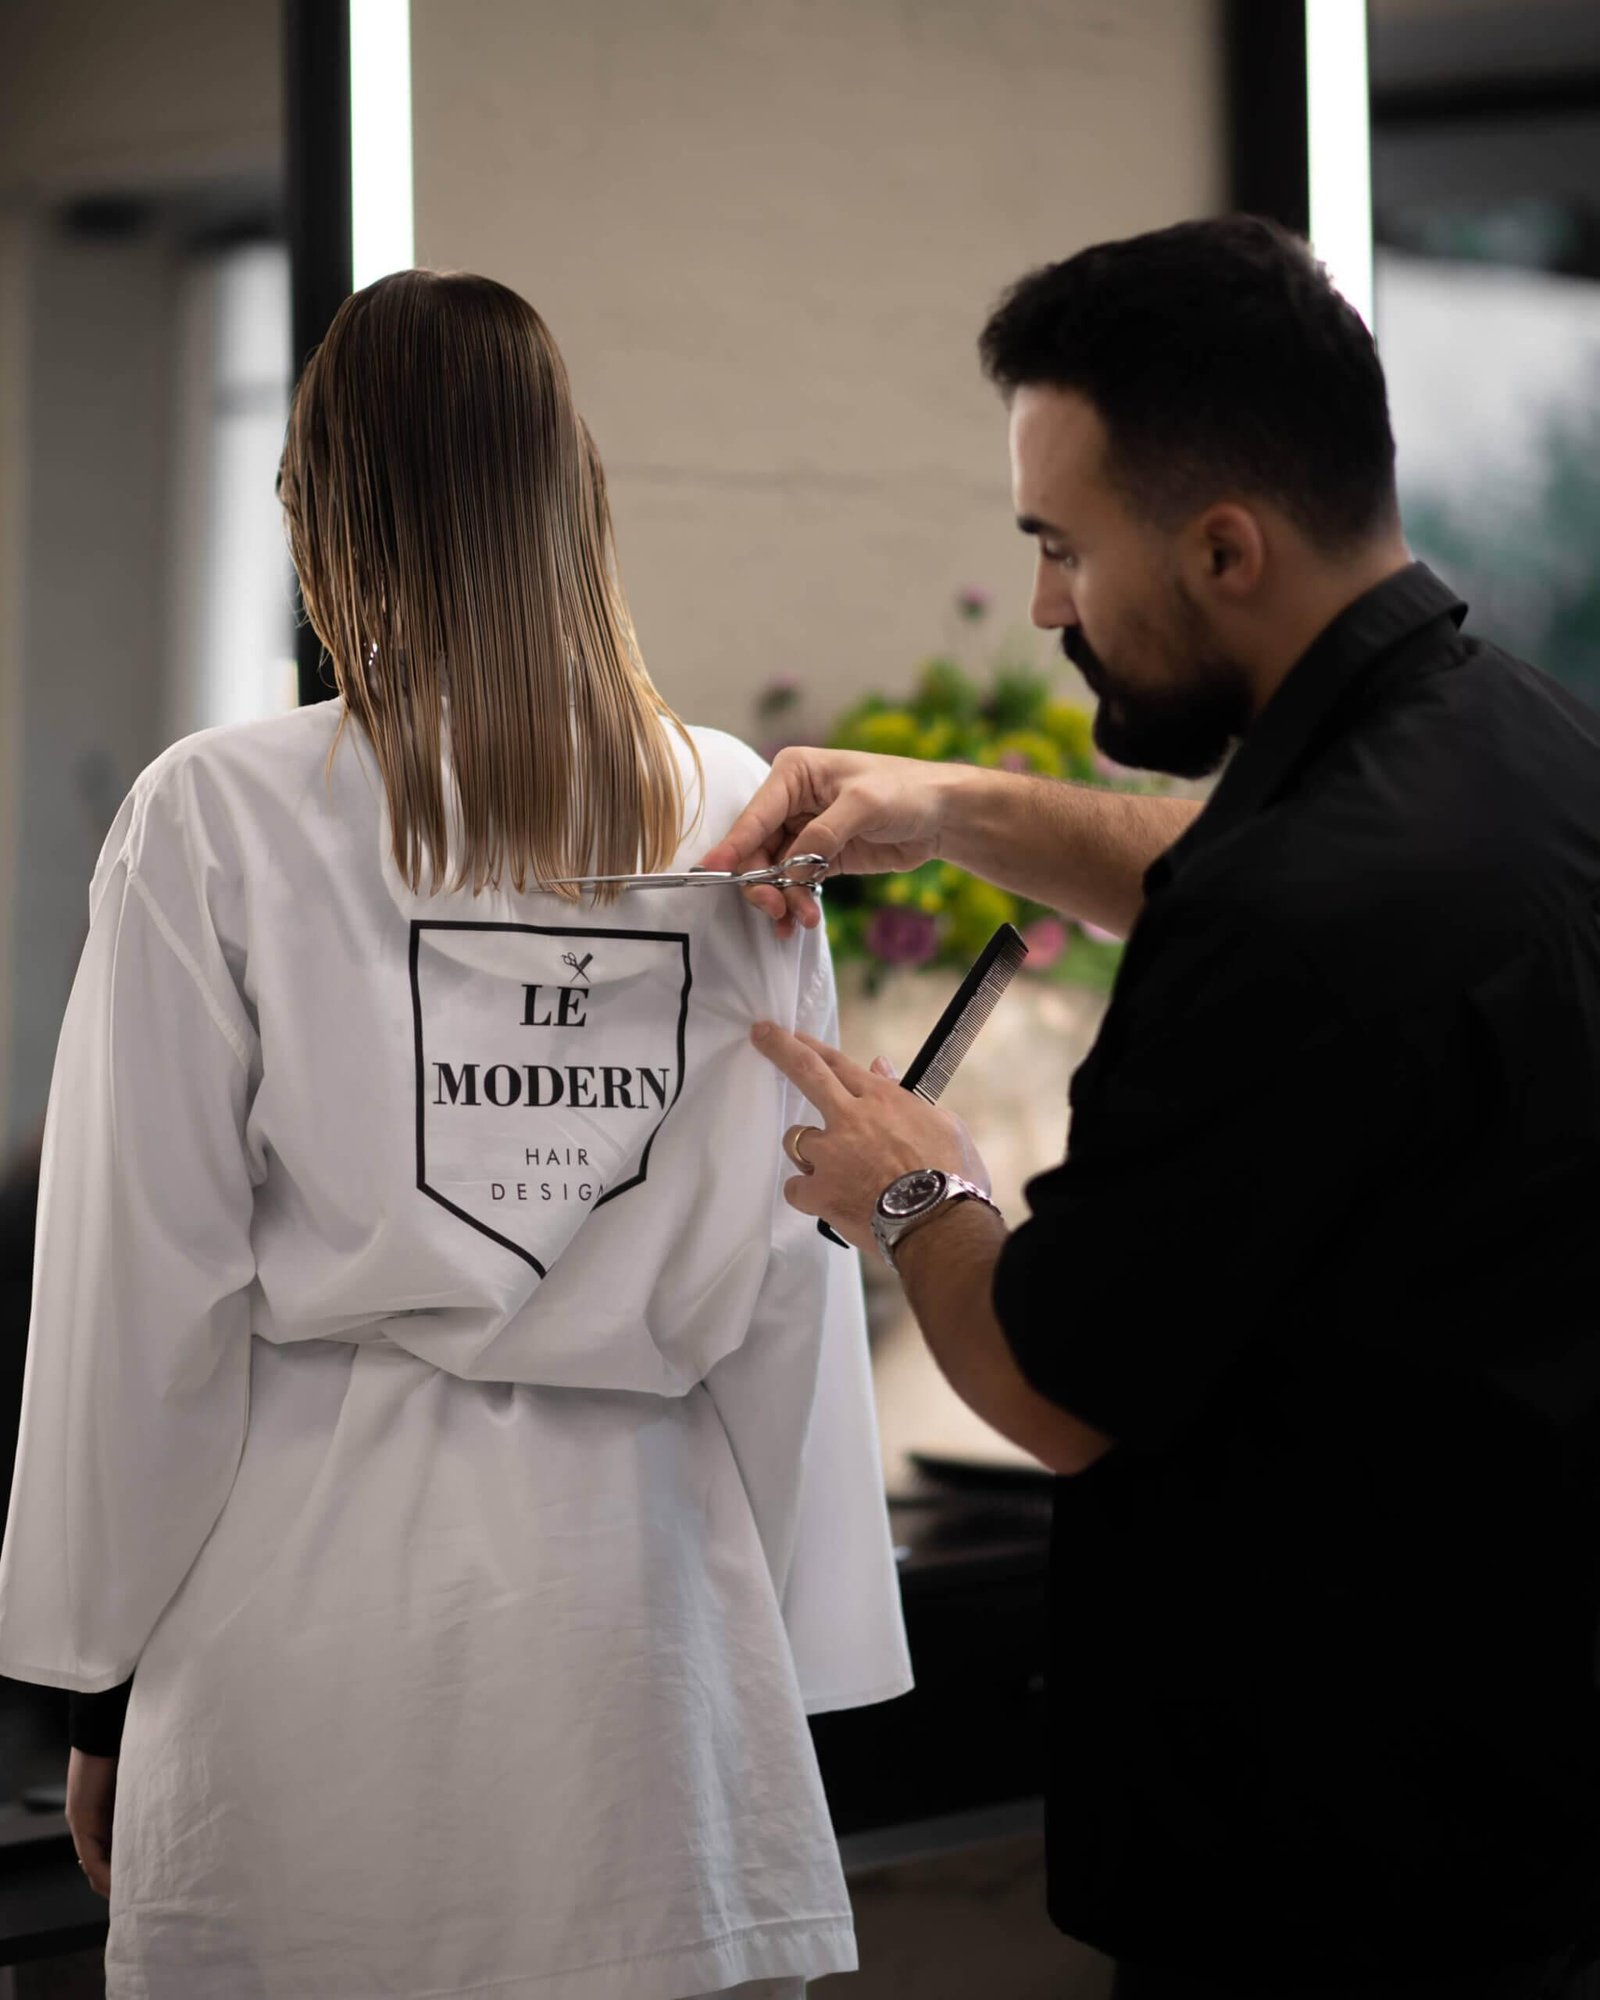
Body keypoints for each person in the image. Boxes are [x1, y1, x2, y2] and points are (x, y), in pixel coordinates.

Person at [702, 216, 1600, 1999]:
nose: (1045, 609)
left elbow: (1056, 1388)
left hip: (1335, 1881)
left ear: (1221, 547)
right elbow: (1237, 865)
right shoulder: (1534, 759)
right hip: (1541, 1808)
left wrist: (914, 1190)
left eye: (1060, 548)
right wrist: (951, 806)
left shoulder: (1292, 913)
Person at [0, 270, 910, 2000]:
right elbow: (792, 1272)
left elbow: (140, 1295)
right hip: (655, 1653)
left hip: (300, 1647)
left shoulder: (221, 812)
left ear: (321, 511)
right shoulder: (727, 802)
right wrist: (800, 1661)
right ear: (574, 498)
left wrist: (95, 1679)